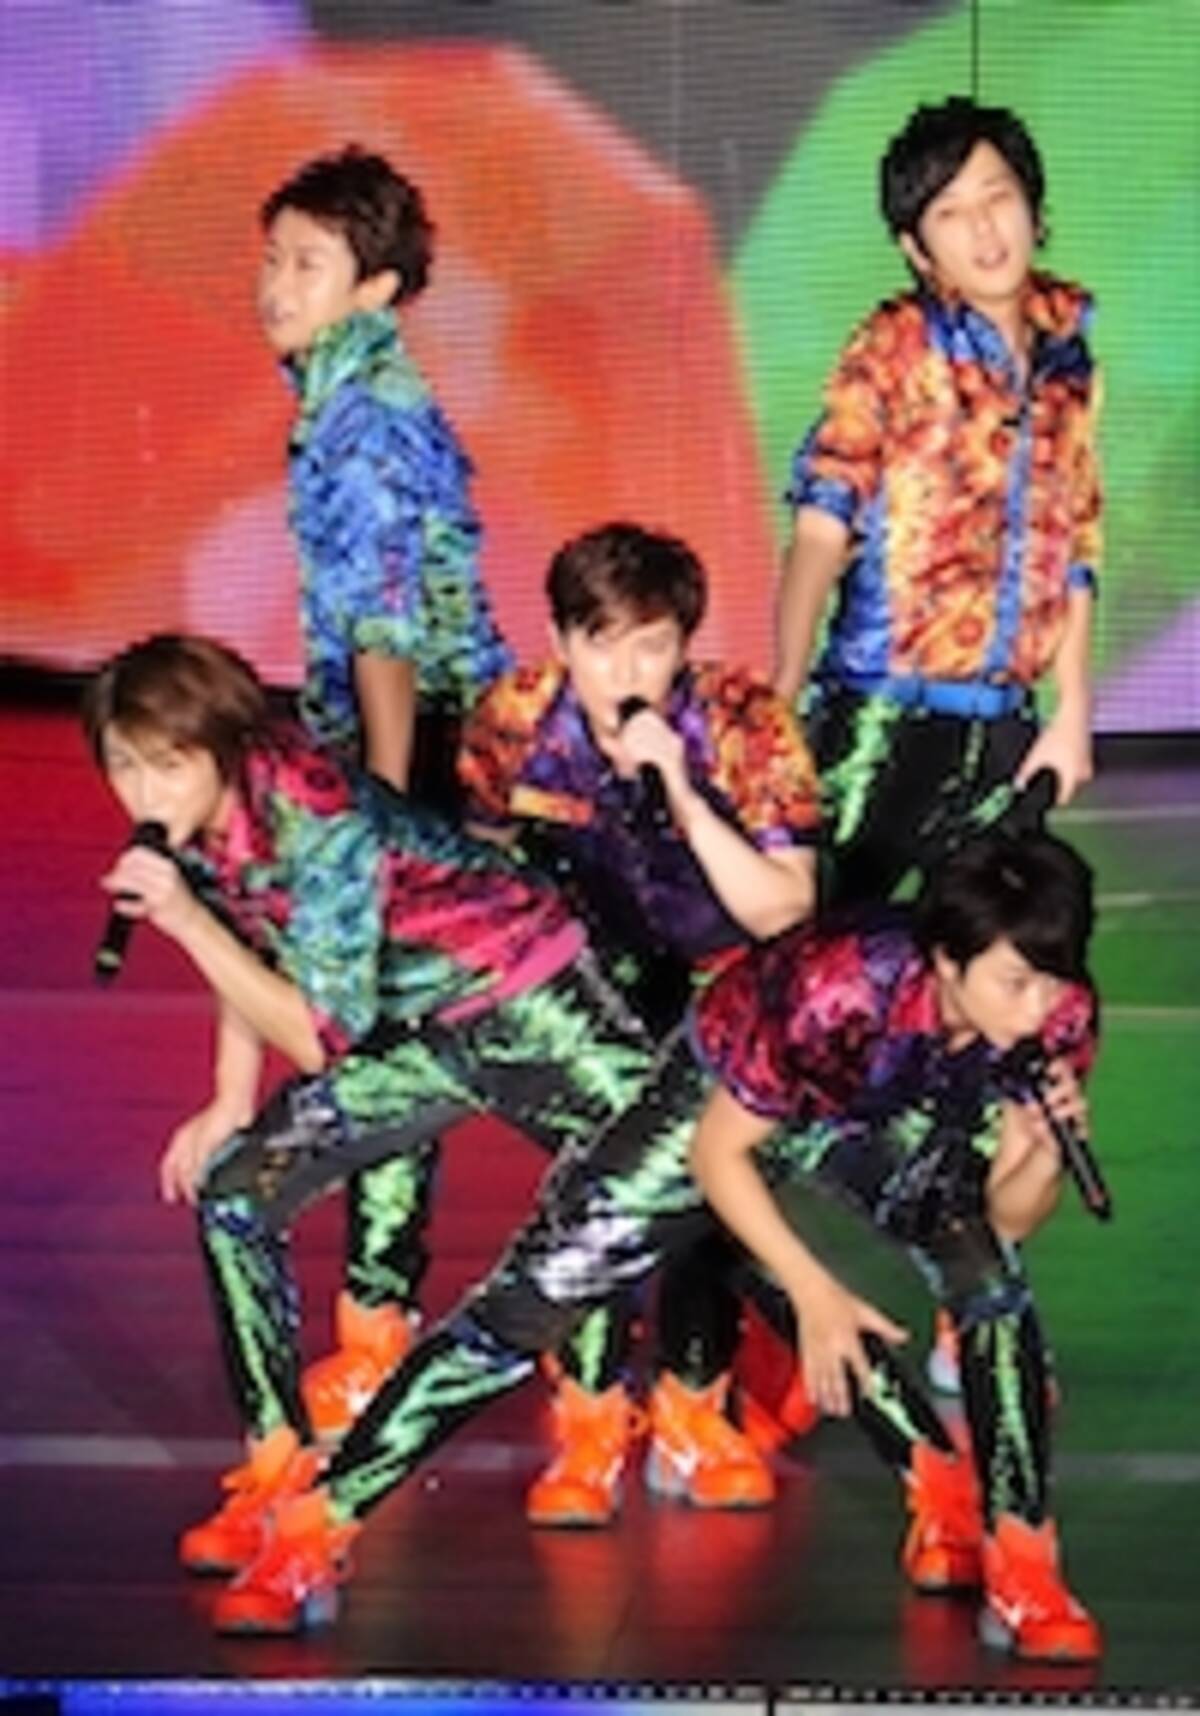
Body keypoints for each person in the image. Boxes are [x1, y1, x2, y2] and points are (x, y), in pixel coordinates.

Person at [210, 830, 1104, 1665]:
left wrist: (1036, 1153)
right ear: (946, 961)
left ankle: (1018, 1553)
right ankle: (313, 1529)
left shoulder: (1057, 1019)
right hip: (722, 1102)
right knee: (529, 1303)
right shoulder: (842, 984)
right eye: (1016, 983)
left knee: (994, 1288)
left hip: (880, 1116)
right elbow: (721, 1157)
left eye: (1051, 982)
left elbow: (1006, 1220)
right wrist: (812, 1287)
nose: (1038, 1007)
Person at [84, 632, 659, 1580]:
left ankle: (597, 1424)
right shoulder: (199, 823)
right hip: (406, 1033)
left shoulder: (317, 814)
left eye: (166, 766)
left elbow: (314, 1037)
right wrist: (229, 1097)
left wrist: (182, 922)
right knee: (234, 1196)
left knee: (616, 1188)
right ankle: (278, 1466)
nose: (144, 794)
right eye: (124, 768)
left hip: (520, 992)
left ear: (222, 747)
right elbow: (254, 938)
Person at [459, 520, 821, 1523]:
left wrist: (683, 793)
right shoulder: (513, 721)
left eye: (650, 647)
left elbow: (784, 911)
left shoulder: (745, 723)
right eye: (600, 644)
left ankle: (694, 1404)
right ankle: (588, 1412)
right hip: (591, 976)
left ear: (684, 648)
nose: (623, 673)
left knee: (700, 1179)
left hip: (725, 976)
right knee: (596, 1178)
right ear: (559, 641)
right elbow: (486, 868)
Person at [258, 144, 513, 1435]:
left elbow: (387, 633)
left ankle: (378, 1330)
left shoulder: (362, 421)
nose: (274, 285)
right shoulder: (347, 398)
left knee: (396, 1045)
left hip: (410, 749)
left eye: (306, 264)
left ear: (376, 287)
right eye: (271, 258)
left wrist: (383, 808)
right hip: (406, 743)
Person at [774, 96, 1102, 905]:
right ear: (917, 248)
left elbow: (1075, 541)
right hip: (884, 716)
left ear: (1034, 208)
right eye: (950, 213)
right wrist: (782, 690)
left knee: (1003, 947)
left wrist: (1073, 711)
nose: (984, 231)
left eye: (998, 198)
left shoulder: (1068, 359)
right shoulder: (896, 343)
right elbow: (821, 524)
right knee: (834, 949)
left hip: (1006, 726)